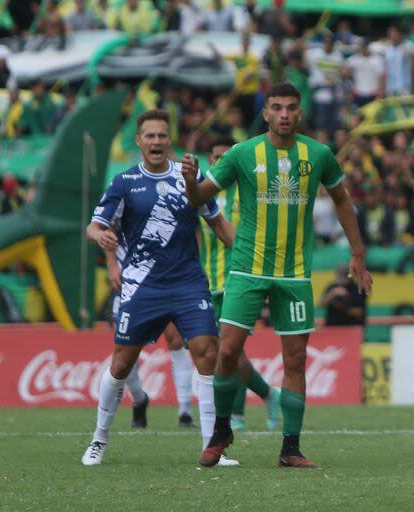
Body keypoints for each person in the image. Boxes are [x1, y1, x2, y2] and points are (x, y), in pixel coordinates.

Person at [183, 82, 372, 468]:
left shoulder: (318, 154)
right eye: (276, 108)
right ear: (265, 113)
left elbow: (341, 200)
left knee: (296, 359)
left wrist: (357, 251)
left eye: (290, 107)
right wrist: (189, 180)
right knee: (229, 350)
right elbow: (198, 198)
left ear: (299, 113)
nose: (284, 114)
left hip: (294, 273)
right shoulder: (241, 154)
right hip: (247, 268)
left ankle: (291, 448)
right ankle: (221, 431)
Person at [81, 109, 233, 466]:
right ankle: (99, 439)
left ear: (170, 139)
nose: (156, 142)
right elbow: (94, 225)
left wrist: (246, 256)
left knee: (207, 353)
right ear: (139, 141)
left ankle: (212, 448)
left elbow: (218, 224)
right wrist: (99, 235)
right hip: (142, 286)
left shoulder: (189, 179)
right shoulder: (123, 182)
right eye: (149, 136)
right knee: (121, 365)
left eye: (162, 135)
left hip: (188, 284)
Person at [197, 137, 282, 432]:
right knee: (224, 350)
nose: (222, 162)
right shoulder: (202, 196)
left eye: (227, 156)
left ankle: (238, 414)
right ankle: (268, 395)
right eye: (217, 156)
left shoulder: (245, 193)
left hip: (239, 279)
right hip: (208, 283)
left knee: (229, 350)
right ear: (210, 160)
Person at [104, 233, 198, 430]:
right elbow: (101, 230)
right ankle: (140, 398)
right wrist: (112, 266)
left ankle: (185, 412)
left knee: (176, 339)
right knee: (123, 350)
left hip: (163, 278)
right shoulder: (120, 203)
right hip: (126, 280)